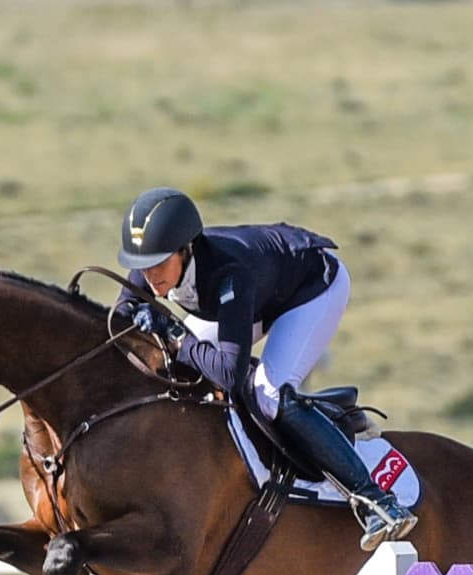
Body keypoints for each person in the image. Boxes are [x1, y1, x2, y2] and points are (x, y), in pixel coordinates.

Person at [111, 186, 416, 550]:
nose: (150, 276)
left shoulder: (229, 275)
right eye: (142, 266)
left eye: (159, 264)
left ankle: (375, 500)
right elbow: (121, 316)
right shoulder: (150, 264)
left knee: (268, 393)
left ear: (185, 249)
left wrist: (177, 336)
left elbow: (229, 373)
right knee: (170, 363)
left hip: (310, 290)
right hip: (257, 297)